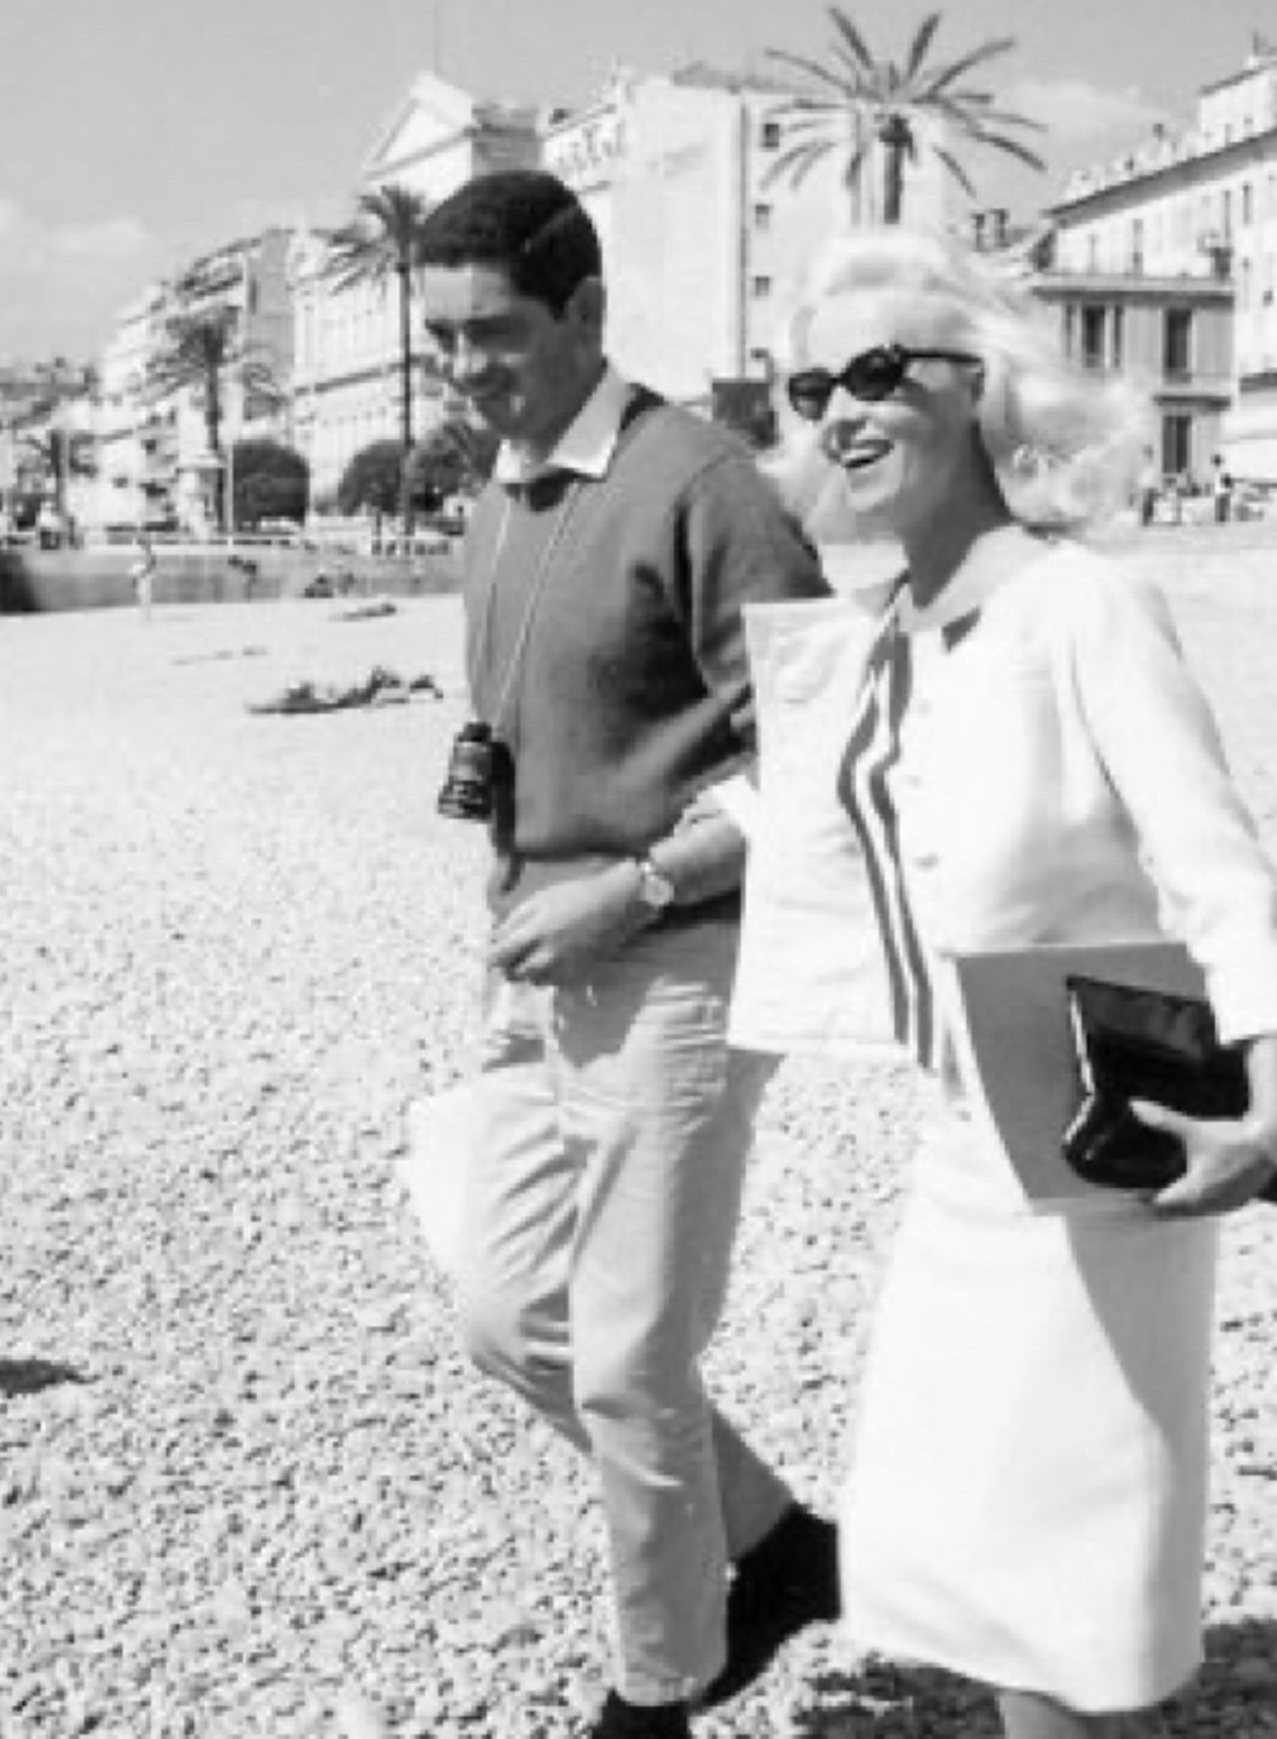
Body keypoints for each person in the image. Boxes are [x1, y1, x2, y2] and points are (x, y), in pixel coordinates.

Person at [720, 229, 1277, 1738]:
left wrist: (1270, 1104)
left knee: (1071, 1583)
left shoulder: (1083, 608)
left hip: (1103, 1150)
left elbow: (1216, 861)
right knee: (975, 1556)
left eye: (877, 372)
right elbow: (798, 819)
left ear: (979, 392)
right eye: (812, 387)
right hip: (958, 1142)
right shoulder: (869, 643)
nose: (840, 412)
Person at [404, 171, 833, 1739]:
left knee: (633, 1351)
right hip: (537, 969)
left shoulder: (708, 485)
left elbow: (826, 757)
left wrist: (639, 884)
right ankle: (778, 1545)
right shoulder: (498, 501)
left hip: (687, 959)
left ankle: (661, 1686)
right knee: (513, 1315)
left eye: (494, 334)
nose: (465, 371)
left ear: (586, 312)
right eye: (441, 339)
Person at [130, 535, 158, 620]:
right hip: (146, 575)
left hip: (147, 575)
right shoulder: (148, 553)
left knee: (144, 594)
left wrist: (143, 573)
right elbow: (149, 566)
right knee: (142, 594)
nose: (141, 547)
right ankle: (144, 611)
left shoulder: (150, 554)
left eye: (142, 545)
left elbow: (151, 567)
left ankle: (146, 613)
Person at [1211, 451, 1234, 524]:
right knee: (1220, 516)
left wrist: (1228, 490)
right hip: (1220, 494)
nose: (1214, 464)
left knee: (1222, 516)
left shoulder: (1222, 470)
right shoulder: (1218, 471)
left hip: (1222, 494)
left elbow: (1228, 482)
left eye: (1215, 462)